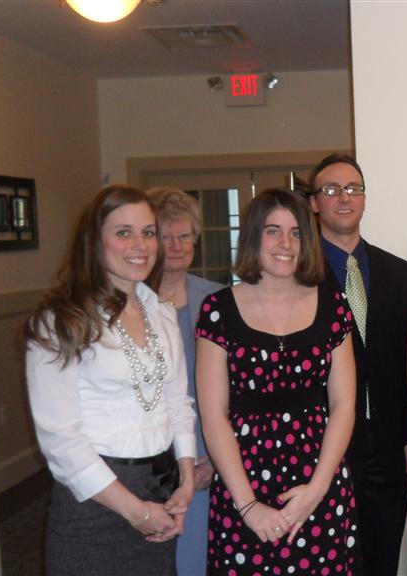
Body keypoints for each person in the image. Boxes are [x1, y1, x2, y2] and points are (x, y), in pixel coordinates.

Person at [25, 185, 197, 575]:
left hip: (160, 487)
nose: (140, 245)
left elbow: (177, 403)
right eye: (123, 232)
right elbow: (62, 441)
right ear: (95, 241)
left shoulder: (161, 313)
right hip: (95, 500)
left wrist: (185, 480)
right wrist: (136, 512)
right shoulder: (60, 321)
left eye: (148, 232)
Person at [195, 188, 359, 575]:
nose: (285, 243)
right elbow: (214, 415)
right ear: (254, 237)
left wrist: (317, 489)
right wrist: (248, 506)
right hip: (244, 487)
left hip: (319, 481)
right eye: (273, 231)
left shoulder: (334, 306)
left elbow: (343, 405)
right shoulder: (218, 310)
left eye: (296, 232)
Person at [307, 154, 407, 576]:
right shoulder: (300, 276)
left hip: (390, 446)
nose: (344, 198)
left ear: (365, 199)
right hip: (322, 445)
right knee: (327, 561)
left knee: (382, 560)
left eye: (353, 189)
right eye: (331, 190)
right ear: (314, 203)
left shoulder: (398, 272)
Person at [147, 187, 225, 576]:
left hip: (206, 461)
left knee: (197, 561)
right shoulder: (128, 302)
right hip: (145, 463)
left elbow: (233, 390)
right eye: (166, 236)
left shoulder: (217, 300)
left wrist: (213, 460)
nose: (176, 246)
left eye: (184, 236)